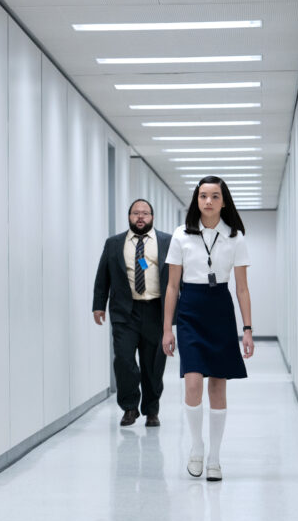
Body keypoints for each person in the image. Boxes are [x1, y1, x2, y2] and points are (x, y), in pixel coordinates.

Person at [162, 176, 254, 481]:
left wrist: (248, 329)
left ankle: (215, 456)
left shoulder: (235, 237)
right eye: (203, 196)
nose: (209, 202)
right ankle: (197, 447)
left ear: (224, 201)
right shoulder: (181, 236)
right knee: (192, 383)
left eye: (215, 196)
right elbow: (172, 286)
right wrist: (167, 329)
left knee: (218, 385)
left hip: (219, 310)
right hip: (190, 309)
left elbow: (242, 288)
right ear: (196, 200)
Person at [93, 199, 173, 427]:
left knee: (153, 365)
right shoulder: (114, 243)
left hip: (155, 310)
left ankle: (151, 410)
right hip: (124, 313)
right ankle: (129, 408)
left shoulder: (167, 242)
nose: (140, 217)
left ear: (152, 217)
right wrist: (98, 304)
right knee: (124, 360)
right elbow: (103, 276)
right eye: (136, 213)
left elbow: (176, 279)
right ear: (129, 217)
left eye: (145, 213)